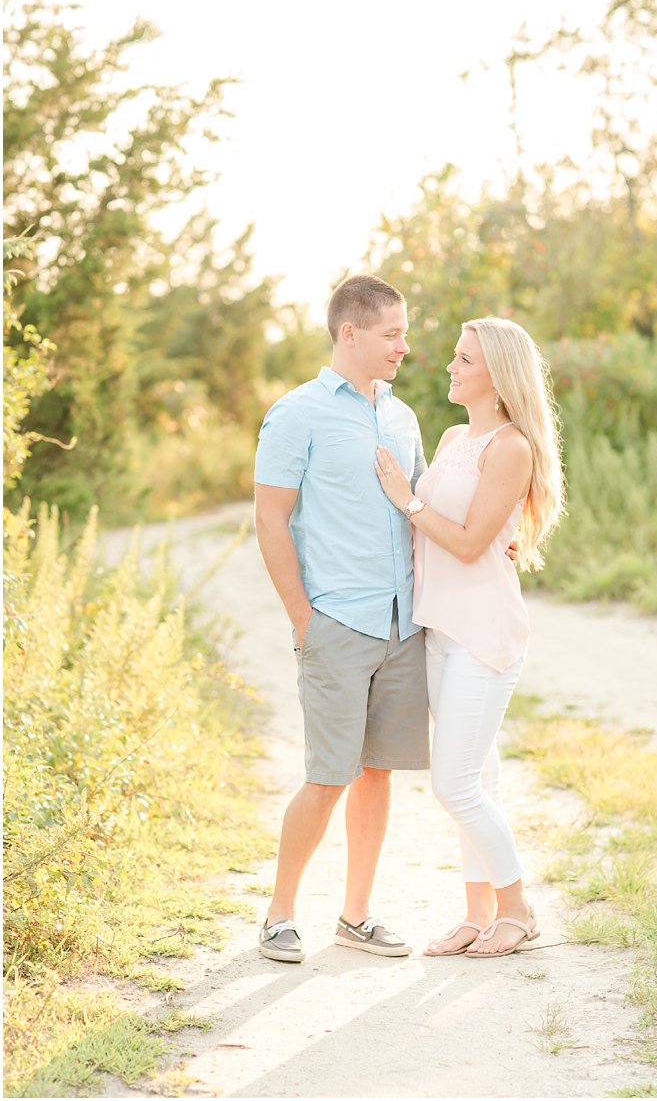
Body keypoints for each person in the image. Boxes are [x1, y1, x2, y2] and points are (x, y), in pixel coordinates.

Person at [373, 316, 564, 957]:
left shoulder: (511, 447)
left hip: (484, 631)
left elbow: (469, 542)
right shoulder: (455, 434)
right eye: (455, 357)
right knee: (478, 775)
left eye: (464, 360)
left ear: (498, 375)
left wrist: (406, 499)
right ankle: (477, 913)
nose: (450, 368)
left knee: (453, 784)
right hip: (440, 629)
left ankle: (518, 909)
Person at [252, 274, 427, 963]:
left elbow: (421, 508)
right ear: (349, 333)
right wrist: (303, 617)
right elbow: (270, 517)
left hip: (402, 625)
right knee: (328, 775)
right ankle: (278, 913)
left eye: (405, 332)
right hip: (336, 625)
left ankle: (355, 915)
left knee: (377, 772)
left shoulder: (403, 416)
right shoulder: (296, 414)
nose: (404, 346)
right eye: (392, 333)